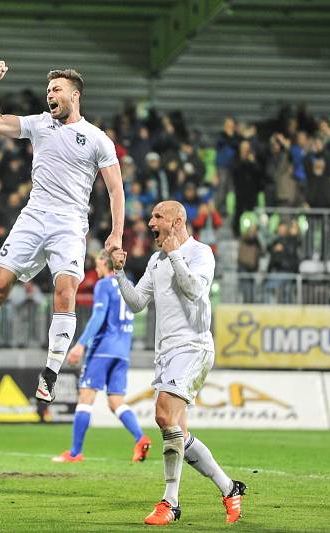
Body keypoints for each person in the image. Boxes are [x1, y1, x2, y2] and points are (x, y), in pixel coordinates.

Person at [0, 61, 125, 404]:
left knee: (66, 290)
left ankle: (50, 374)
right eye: (48, 90)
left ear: (75, 95)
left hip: (69, 222)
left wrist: (116, 234)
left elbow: (115, 189)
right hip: (33, 216)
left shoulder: (98, 139)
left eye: (56, 90)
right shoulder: (40, 124)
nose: (50, 94)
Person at [110, 201, 246, 526]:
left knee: (162, 412)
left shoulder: (201, 253)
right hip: (167, 353)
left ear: (178, 220)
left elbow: (196, 290)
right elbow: (137, 303)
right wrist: (118, 272)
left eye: (158, 216)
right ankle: (229, 488)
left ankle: (170, 502)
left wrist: (174, 255)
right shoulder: (156, 262)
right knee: (177, 432)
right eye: (152, 216)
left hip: (194, 346)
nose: (151, 221)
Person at [51, 251, 151, 464]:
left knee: (85, 399)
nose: (95, 268)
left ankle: (75, 453)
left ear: (106, 263)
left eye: (98, 263)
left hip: (102, 350)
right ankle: (140, 438)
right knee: (116, 402)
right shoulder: (128, 284)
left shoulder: (104, 285)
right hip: (123, 351)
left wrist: (80, 345)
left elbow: (98, 317)